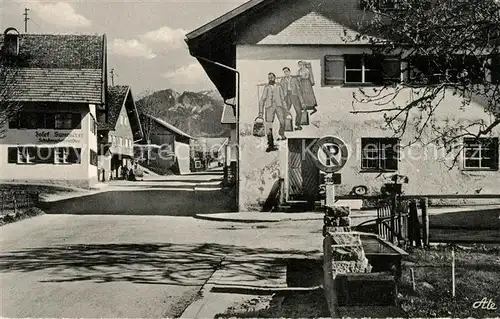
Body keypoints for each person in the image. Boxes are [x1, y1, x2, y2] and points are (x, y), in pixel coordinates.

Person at [259, 72, 287, 152]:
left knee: (282, 121)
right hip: (269, 108)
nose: (270, 79)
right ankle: (270, 145)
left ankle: (281, 134)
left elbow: (283, 98)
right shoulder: (266, 87)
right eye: (269, 78)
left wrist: (286, 109)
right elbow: (262, 99)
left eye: (272, 77)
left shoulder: (279, 86)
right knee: (269, 126)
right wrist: (260, 112)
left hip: (279, 106)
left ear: (275, 78)